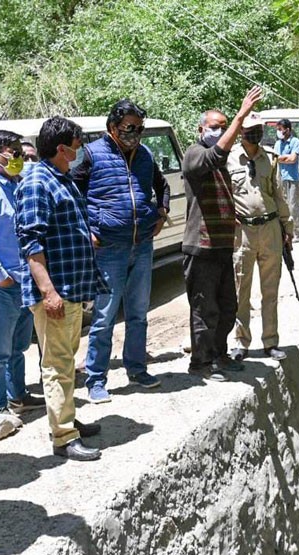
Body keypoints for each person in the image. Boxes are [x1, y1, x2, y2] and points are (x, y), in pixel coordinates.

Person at [15, 116, 105, 461]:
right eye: (76, 142)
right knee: (56, 364)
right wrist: (48, 292)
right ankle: (64, 437)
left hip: (73, 288)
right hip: (57, 292)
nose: (81, 147)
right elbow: (31, 242)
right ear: (61, 147)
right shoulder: (38, 181)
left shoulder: (60, 178)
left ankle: (67, 418)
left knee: (67, 362)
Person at [73, 99, 170, 404]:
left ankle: (137, 369)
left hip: (142, 245)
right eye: (130, 128)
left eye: (140, 128)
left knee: (139, 313)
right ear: (112, 127)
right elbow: (71, 191)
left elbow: (162, 185)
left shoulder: (144, 155)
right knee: (103, 317)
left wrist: (162, 213)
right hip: (109, 249)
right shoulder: (92, 154)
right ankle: (96, 379)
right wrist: (86, 228)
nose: (136, 134)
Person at [181, 86, 263, 381]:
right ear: (200, 129)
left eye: (224, 127)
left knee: (228, 305)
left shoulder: (222, 165)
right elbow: (216, 155)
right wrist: (241, 115)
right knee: (205, 309)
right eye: (215, 127)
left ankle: (219, 355)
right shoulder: (195, 154)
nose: (220, 131)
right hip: (200, 248)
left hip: (221, 247)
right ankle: (200, 363)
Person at [0, 130, 46, 441]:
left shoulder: (20, 186)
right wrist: (0, 275)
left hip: (25, 279)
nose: (17, 157)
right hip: (2, 284)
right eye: (12, 151)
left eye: (18, 150)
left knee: (19, 346)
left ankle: (19, 396)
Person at [227, 113, 293, 362]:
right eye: (250, 128)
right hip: (242, 232)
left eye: (258, 128)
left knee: (270, 289)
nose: (255, 132)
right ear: (241, 131)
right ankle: (241, 343)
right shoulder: (230, 158)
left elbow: (279, 195)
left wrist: (288, 229)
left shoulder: (270, 159)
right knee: (241, 289)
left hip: (270, 230)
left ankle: (270, 341)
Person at [273, 118, 299, 241]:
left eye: (280, 129)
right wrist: (285, 157)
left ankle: (297, 232)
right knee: (281, 206)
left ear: (287, 130)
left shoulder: (295, 141)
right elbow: (275, 159)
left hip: (292, 178)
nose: (279, 132)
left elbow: (293, 159)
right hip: (281, 178)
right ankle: (284, 232)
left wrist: (282, 158)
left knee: (293, 206)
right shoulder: (278, 144)